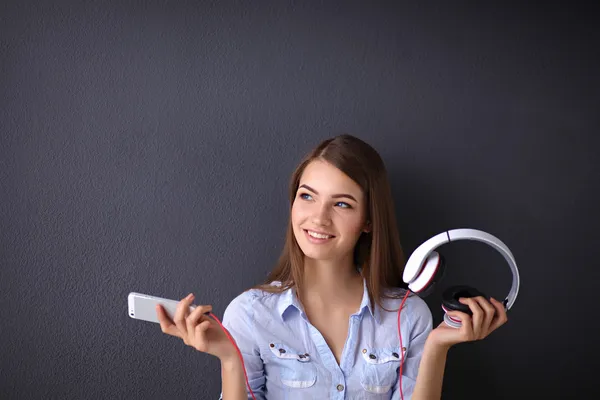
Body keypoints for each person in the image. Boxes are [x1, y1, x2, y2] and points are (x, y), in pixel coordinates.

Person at [156, 134, 508, 399]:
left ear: (368, 220)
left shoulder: (409, 317)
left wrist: (437, 347)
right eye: (307, 196)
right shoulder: (250, 314)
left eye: (341, 204)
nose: (318, 218)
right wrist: (229, 359)